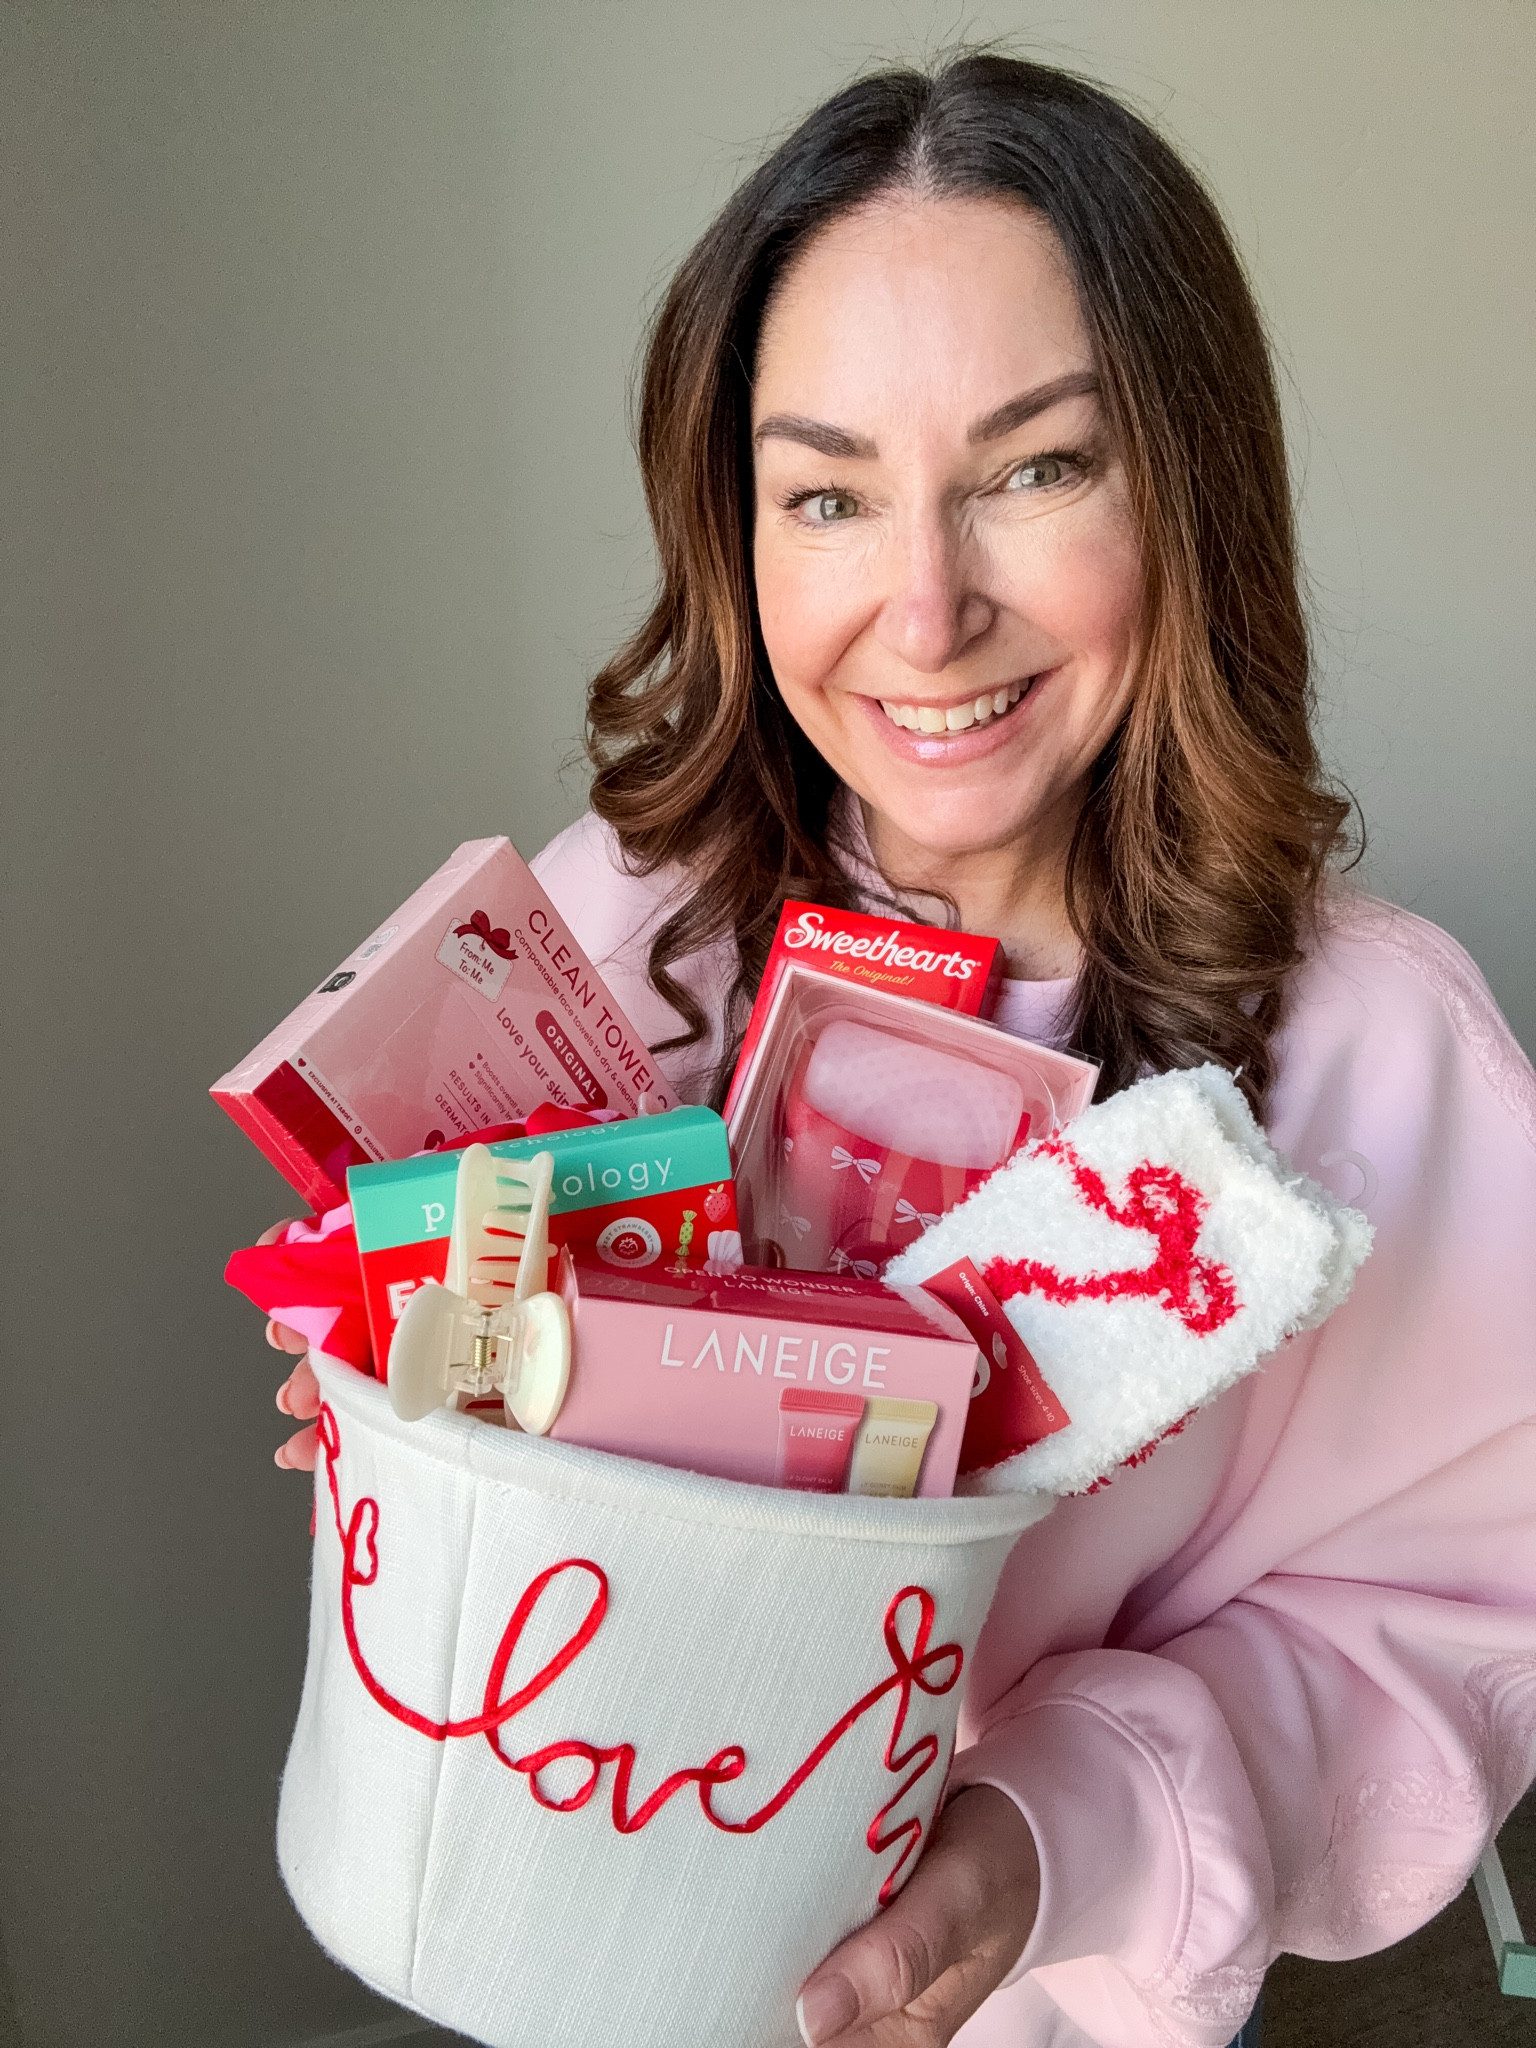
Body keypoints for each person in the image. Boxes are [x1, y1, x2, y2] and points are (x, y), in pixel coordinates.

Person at [265, 55, 1536, 2048]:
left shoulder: (1380, 1062)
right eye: (830, 492)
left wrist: (1046, 1834)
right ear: (737, 529)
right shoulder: (622, 926)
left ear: (1185, 484)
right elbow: (494, 1421)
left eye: (1038, 465)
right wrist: (408, 1415)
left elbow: (1441, 1638)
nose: (926, 611)